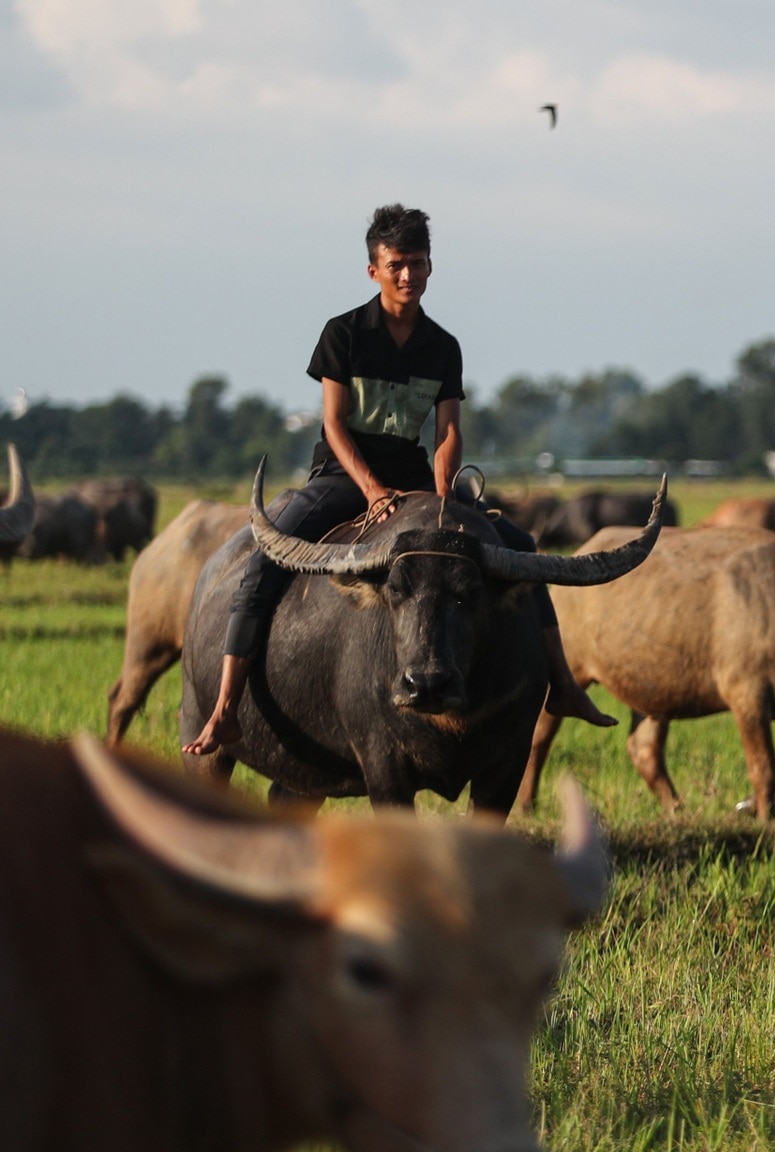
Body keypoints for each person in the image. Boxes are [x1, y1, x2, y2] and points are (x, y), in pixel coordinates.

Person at [185, 204, 614, 755]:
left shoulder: (443, 345)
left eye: (417, 263)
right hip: (342, 476)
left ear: (431, 267)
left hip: (414, 479)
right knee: (266, 560)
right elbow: (335, 426)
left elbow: (448, 432)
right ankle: (224, 708)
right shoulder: (343, 333)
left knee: (521, 549)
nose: (407, 275)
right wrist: (371, 491)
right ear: (374, 271)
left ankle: (562, 686)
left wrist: (444, 497)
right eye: (395, 265)